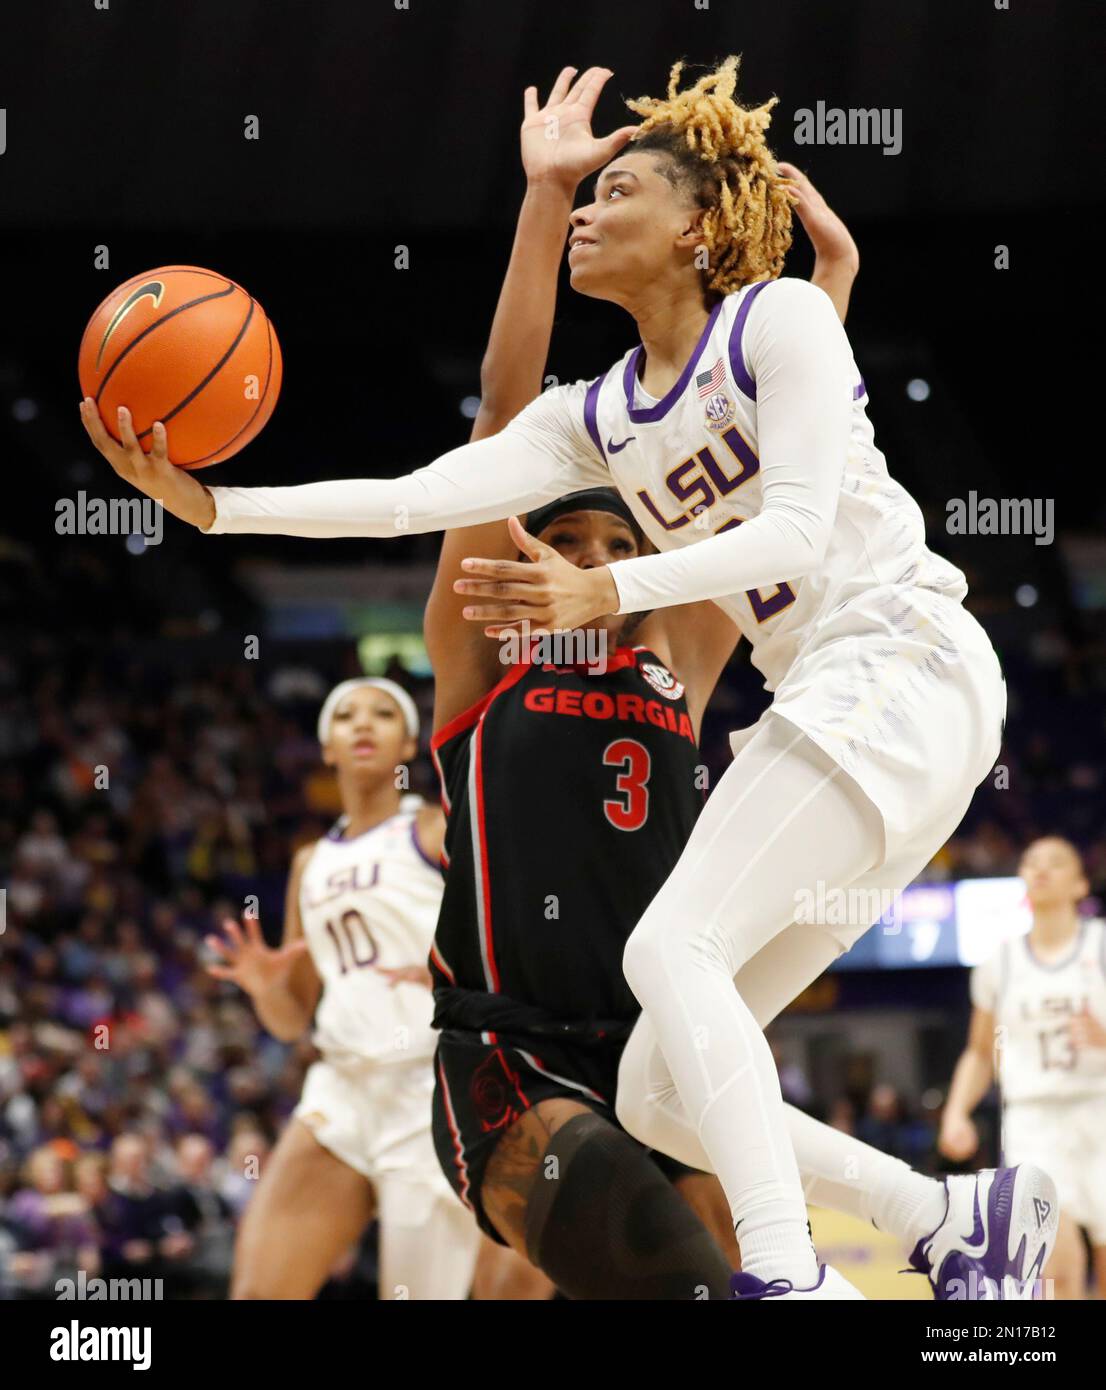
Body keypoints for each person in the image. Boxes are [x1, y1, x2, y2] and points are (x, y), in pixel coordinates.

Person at [82, 57, 1057, 1301]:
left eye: (621, 186)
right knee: (664, 1077)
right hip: (842, 708)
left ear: (697, 225)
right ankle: (947, 1218)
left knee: (669, 957)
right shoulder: (596, 417)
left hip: (897, 656)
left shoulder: (778, 316)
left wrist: (609, 590)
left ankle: (782, 1275)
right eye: (582, 196)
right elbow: (408, 496)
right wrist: (211, 506)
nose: (590, 207)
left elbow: (804, 528)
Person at [204, 678, 481, 1299]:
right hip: (341, 1089)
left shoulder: (438, 830)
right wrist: (266, 988)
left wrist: (451, 969)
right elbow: (289, 1021)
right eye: (346, 716)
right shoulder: (310, 862)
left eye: (383, 714)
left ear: (409, 743)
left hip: (430, 1087)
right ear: (326, 746)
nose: (363, 725)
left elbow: (507, 937)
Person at [941, 836, 1106, 1299]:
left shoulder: (1101, 945)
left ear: (1079, 884)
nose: (1040, 869)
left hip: (1100, 1108)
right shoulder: (1000, 961)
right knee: (1055, 1263)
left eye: (1055, 863)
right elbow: (978, 1051)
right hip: (1033, 1119)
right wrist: (957, 1112)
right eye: (1031, 862)